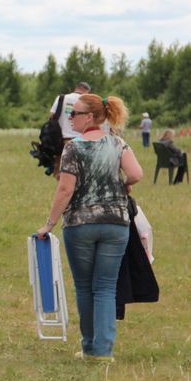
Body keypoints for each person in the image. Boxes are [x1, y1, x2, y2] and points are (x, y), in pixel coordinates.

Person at [37, 94, 143, 363]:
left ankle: (88, 347)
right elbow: (136, 174)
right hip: (116, 224)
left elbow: (65, 188)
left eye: (75, 113)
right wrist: (125, 184)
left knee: (85, 287)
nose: (70, 118)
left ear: (92, 117)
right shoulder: (118, 143)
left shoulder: (73, 148)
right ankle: (103, 352)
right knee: (106, 287)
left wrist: (49, 223)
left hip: (80, 225)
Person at [49, 81, 91, 175]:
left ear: (76, 88)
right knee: (80, 172)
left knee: (61, 173)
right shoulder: (87, 101)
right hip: (82, 141)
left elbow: (51, 117)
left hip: (61, 141)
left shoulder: (61, 98)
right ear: (87, 91)